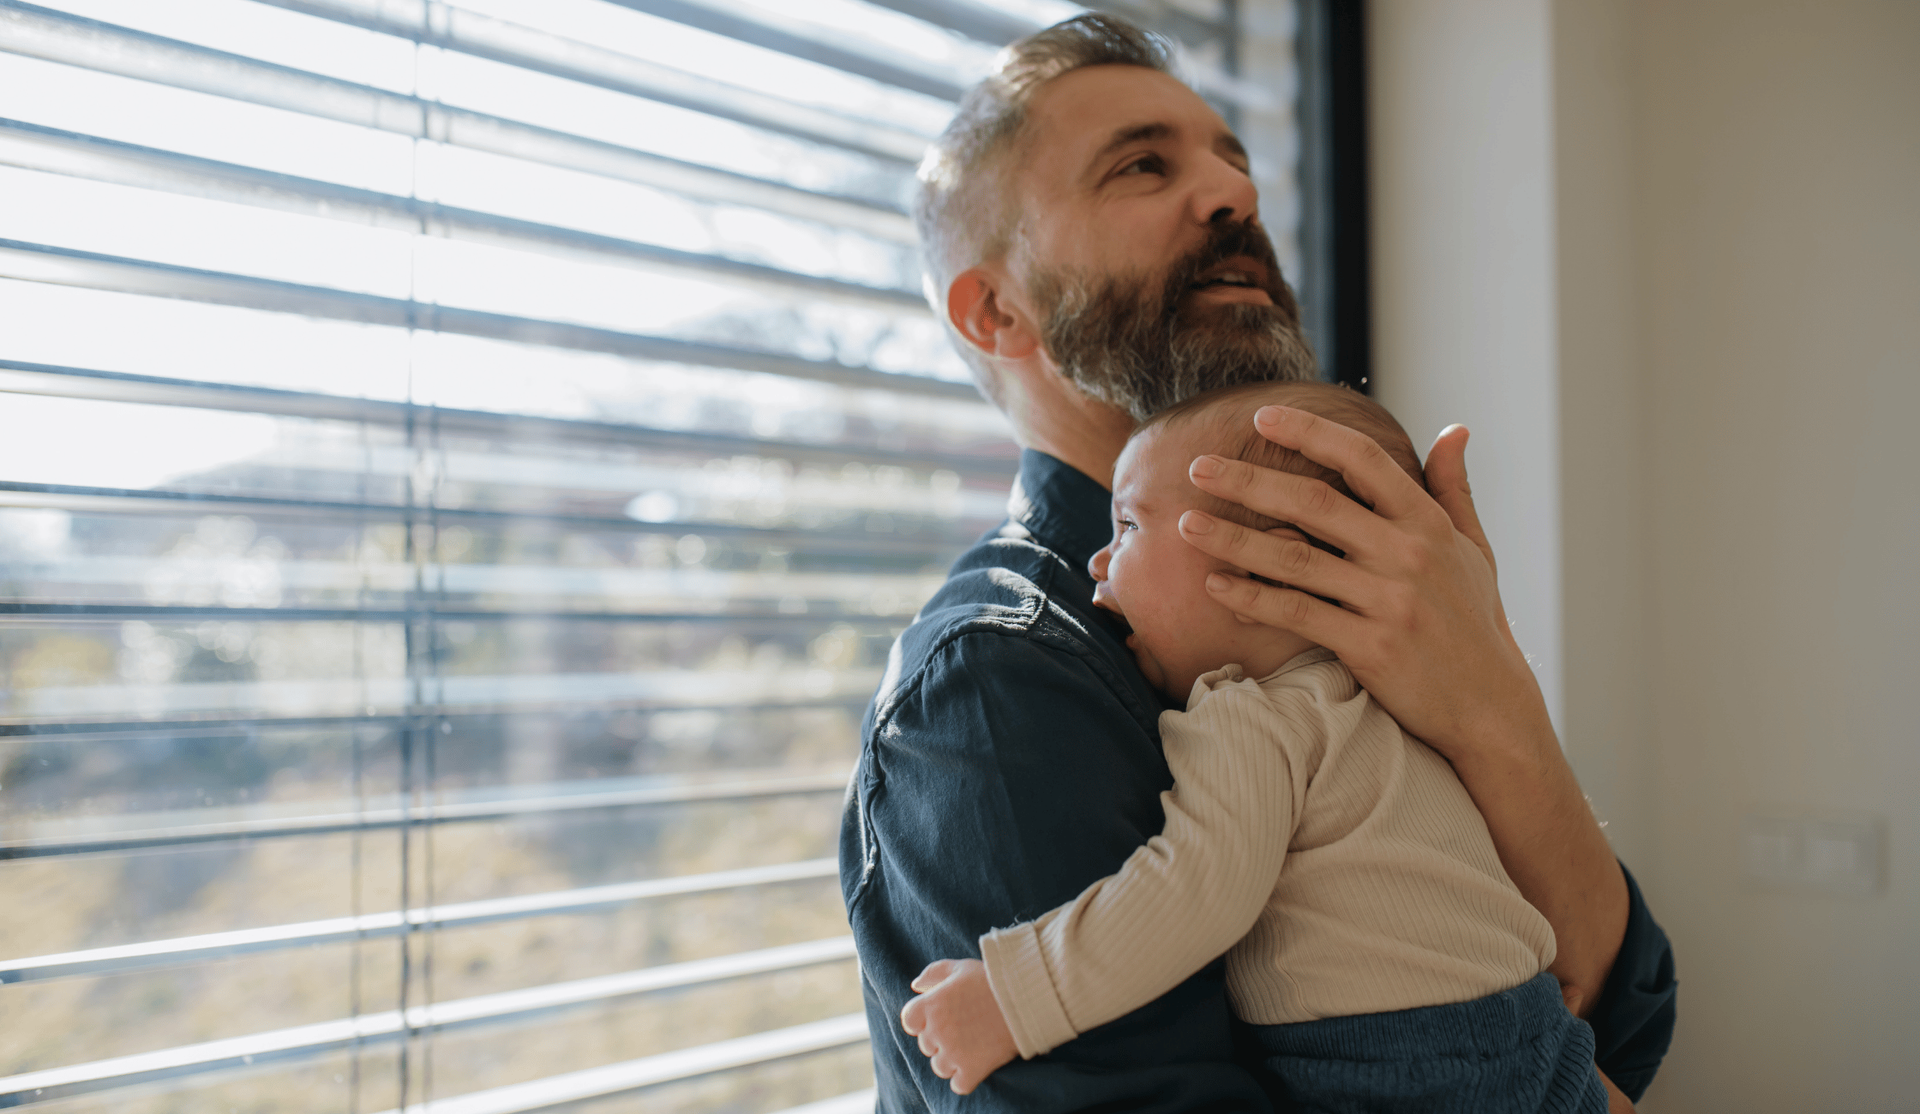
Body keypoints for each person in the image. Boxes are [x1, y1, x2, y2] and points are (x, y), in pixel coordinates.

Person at [839, 14, 1675, 1112]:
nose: (1236, 196)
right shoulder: (997, 684)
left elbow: (1626, 1011)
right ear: (995, 308)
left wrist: (1494, 704)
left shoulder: (1365, 589)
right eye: (1143, 165)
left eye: (1233, 158)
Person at [897, 381, 1630, 1113]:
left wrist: (1014, 996)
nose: (1096, 562)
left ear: (1259, 566)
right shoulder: (1385, 700)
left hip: (1400, 1062)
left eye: (1126, 526)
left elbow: (1195, 888)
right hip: (1530, 1023)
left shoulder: (1251, 715)